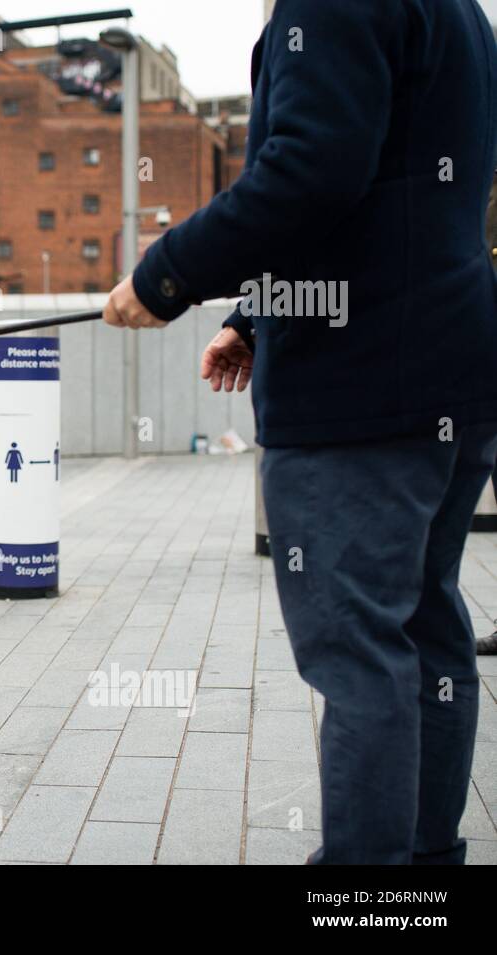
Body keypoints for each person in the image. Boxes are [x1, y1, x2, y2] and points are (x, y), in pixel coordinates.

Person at [103, 0, 497, 864]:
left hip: (361, 392)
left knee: (361, 658)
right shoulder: (462, 12)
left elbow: (313, 169)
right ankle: (422, 871)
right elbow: (388, 197)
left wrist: (165, 274)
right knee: (429, 627)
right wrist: (256, 313)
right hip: (450, 372)